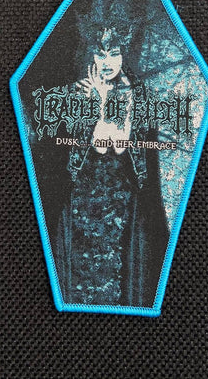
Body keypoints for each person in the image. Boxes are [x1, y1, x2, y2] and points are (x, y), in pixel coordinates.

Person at [56, 18, 169, 308]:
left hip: (123, 197)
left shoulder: (138, 94)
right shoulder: (76, 92)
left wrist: (105, 100)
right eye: (100, 54)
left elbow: (119, 147)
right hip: (83, 197)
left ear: (124, 54)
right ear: (90, 55)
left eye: (114, 53)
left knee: (121, 274)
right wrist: (100, 99)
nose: (107, 62)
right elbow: (98, 144)